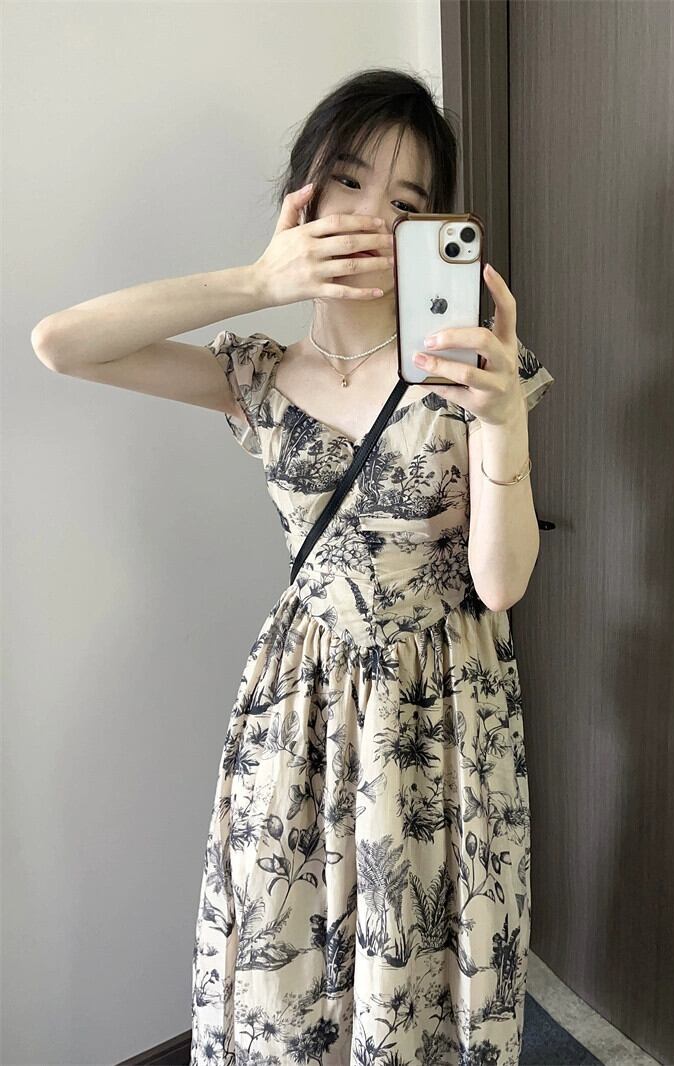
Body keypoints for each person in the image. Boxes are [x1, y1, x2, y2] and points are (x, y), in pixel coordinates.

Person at [33, 67, 554, 1066]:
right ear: (302, 192)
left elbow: (500, 583)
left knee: (426, 964)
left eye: (405, 202)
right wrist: (259, 281)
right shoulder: (261, 376)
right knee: (289, 963)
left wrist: (500, 422)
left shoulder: (473, 370)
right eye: (348, 181)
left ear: (434, 229)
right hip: (299, 705)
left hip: (443, 709)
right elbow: (62, 345)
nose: (369, 217)